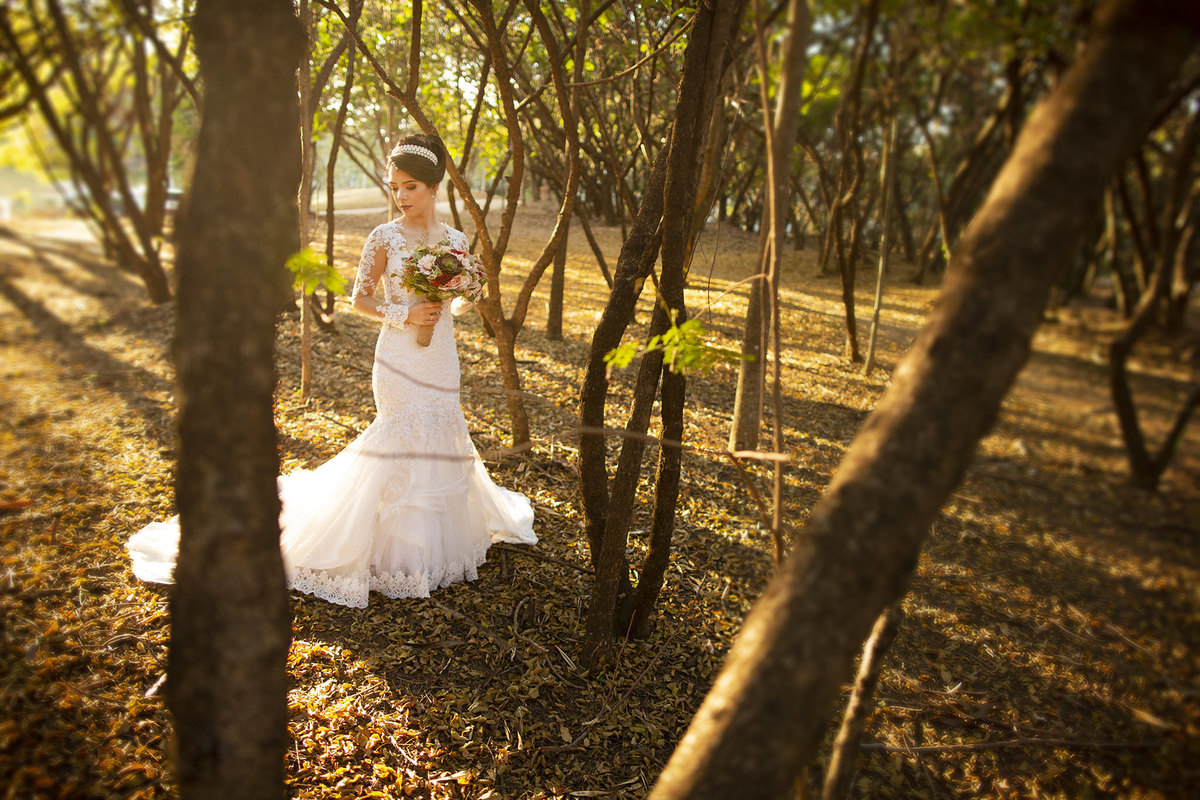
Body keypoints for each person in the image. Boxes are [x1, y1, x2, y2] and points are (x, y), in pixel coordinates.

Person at [126, 133, 537, 607]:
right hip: (399, 358)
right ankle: (389, 554)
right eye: (395, 187)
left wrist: (461, 297)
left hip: (441, 356)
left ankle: (432, 551)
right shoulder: (384, 237)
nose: (401, 197)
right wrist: (405, 314)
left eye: (411, 188)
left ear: (434, 186)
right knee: (400, 433)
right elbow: (359, 300)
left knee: (441, 430)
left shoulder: (455, 240)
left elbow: (459, 301)